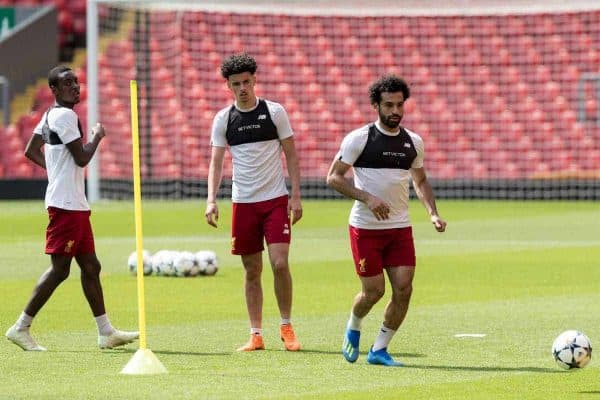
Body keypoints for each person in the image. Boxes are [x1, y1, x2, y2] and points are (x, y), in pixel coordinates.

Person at [5, 66, 139, 351]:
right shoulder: (66, 116)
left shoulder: (49, 115)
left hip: (73, 202)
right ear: (53, 90)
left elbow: (31, 150)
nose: (75, 87)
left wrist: (54, 173)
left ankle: (106, 333)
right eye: (67, 83)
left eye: (76, 82)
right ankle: (21, 327)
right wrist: (97, 136)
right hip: (67, 205)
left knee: (91, 266)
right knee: (60, 270)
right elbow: (81, 158)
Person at [326, 75, 447, 366]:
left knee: (404, 289)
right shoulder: (360, 139)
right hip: (365, 229)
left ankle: (379, 349)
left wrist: (432, 212)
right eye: (389, 105)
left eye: (399, 105)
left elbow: (420, 181)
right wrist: (367, 197)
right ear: (376, 106)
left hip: (399, 229)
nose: (395, 110)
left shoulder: (413, 142)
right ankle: (354, 324)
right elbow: (333, 178)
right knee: (374, 292)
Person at [205, 53, 303, 352]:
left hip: (274, 200)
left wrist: (296, 196)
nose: (243, 88)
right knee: (252, 270)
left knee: (280, 263)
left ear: (255, 80)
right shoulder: (224, 119)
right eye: (236, 84)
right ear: (229, 86)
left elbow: (291, 155)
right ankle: (255, 334)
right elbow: (216, 163)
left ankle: (286, 325)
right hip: (243, 203)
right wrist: (211, 199)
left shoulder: (275, 113)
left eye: (247, 82)